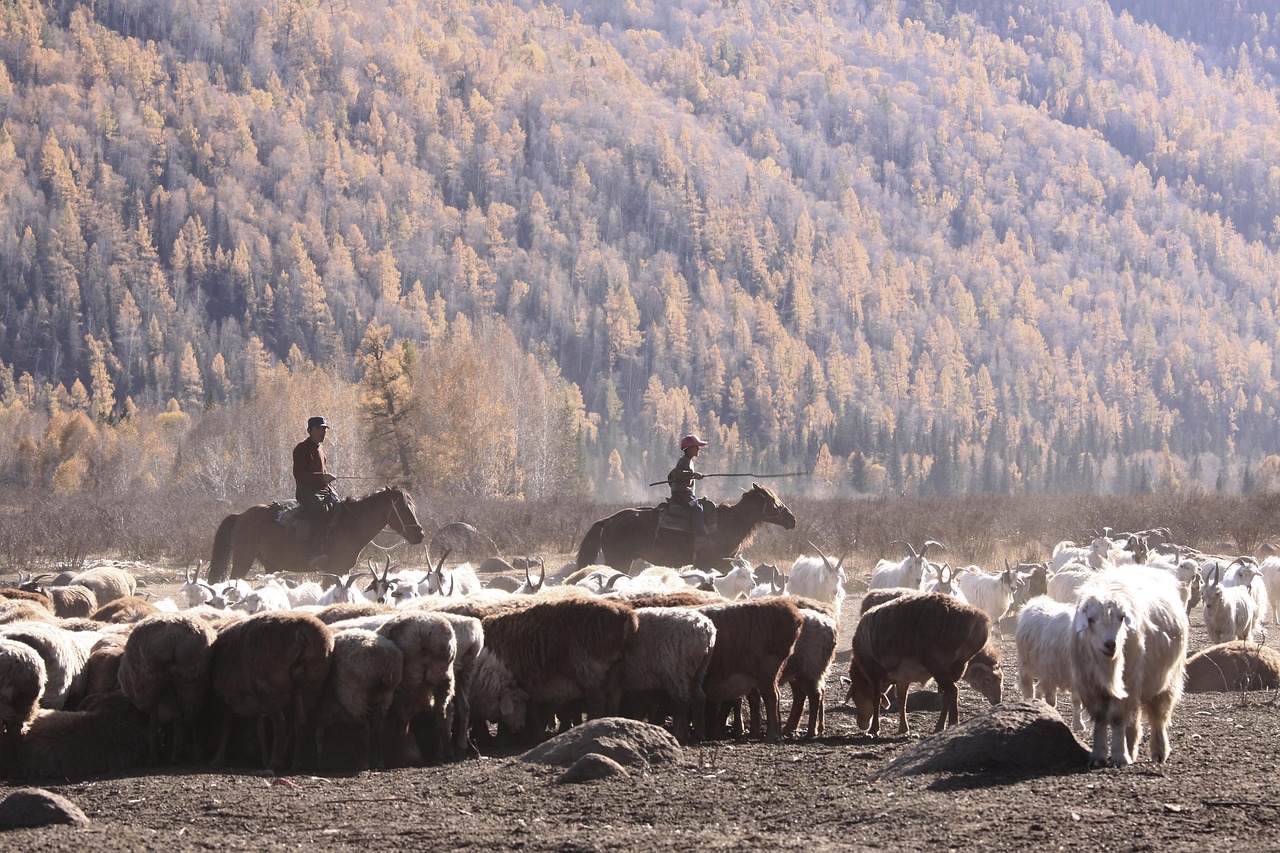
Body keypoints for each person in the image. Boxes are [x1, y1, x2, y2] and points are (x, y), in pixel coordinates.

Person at [293, 415, 339, 561]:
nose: (322, 432)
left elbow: (322, 474)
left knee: (340, 506)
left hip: (323, 490)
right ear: (310, 430)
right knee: (321, 509)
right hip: (306, 492)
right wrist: (321, 477)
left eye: (324, 429)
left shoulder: (322, 449)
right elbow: (299, 475)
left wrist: (328, 484)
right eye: (319, 429)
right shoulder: (301, 449)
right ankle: (313, 551)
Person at [668, 433, 710, 552]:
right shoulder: (684, 461)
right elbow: (677, 474)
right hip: (682, 494)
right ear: (690, 448)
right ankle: (700, 539)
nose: (698, 449)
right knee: (697, 509)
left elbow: (670, 476)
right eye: (696, 447)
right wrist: (693, 475)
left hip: (683, 493)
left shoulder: (688, 461)